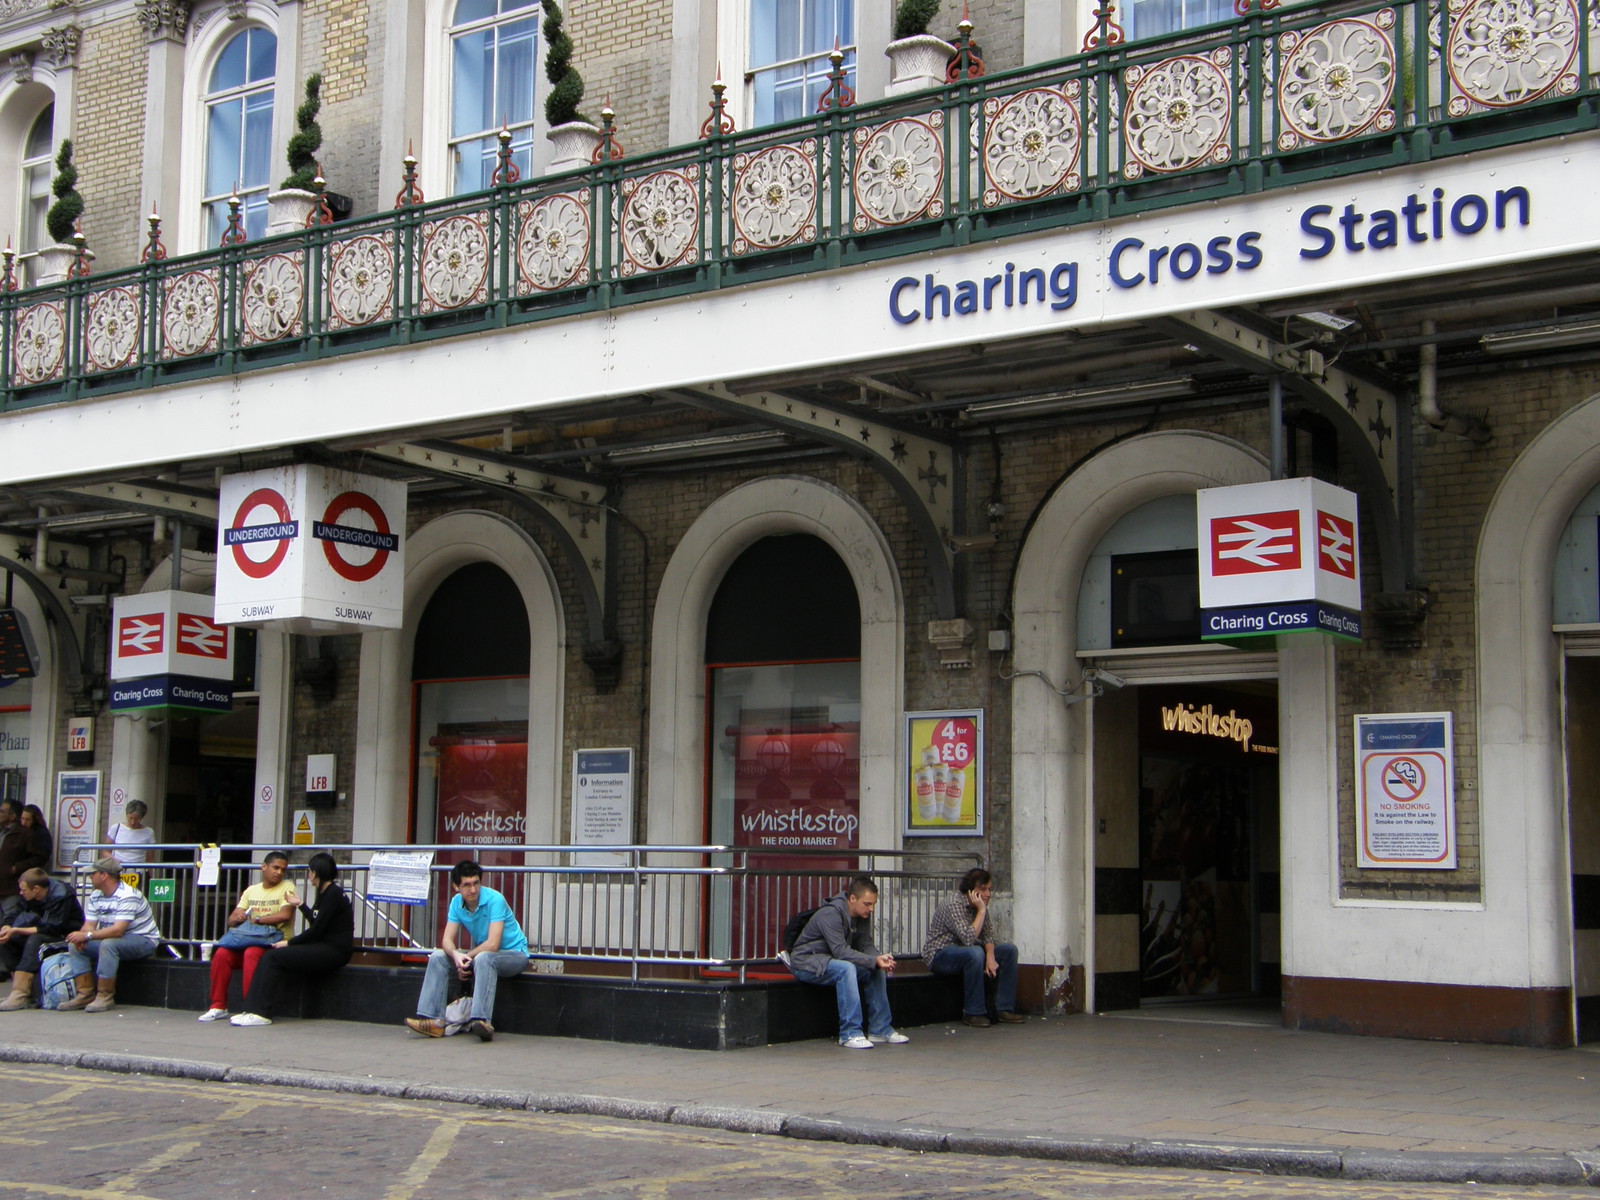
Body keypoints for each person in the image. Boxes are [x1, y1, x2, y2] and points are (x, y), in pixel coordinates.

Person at [404, 859, 530, 1042]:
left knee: (484, 958)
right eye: (467, 885)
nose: (473, 890)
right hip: (483, 956)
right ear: (456, 886)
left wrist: (466, 958)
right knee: (439, 956)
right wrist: (456, 956)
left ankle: (482, 1021)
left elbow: (493, 944)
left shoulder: (495, 899)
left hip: (514, 955)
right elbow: (447, 940)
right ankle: (434, 1022)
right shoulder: (456, 903)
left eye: (476, 883)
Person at [230, 851, 353, 1027]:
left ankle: (261, 1012)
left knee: (272, 957)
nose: (309, 876)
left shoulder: (333, 894)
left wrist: (288, 943)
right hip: (324, 947)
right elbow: (316, 921)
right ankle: (251, 1009)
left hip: (334, 951)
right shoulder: (325, 893)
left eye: (310, 871)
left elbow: (317, 930)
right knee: (269, 957)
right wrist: (300, 904)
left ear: (316, 873)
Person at [787, 875, 907, 1049]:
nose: (871, 909)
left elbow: (866, 945)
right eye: (867, 904)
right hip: (807, 963)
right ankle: (850, 1033)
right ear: (852, 898)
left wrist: (880, 959)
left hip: (829, 961)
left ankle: (880, 1030)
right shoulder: (831, 913)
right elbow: (840, 951)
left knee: (874, 969)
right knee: (846, 968)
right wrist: (873, 960)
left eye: (873, 904)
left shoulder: (862, 915)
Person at [198, 850, 300, 1022]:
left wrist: (258, 920)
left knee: (251, 953)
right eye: (275, 867)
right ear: (263, 867)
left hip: (275, 944)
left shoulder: (287, 887)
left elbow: (285, 915)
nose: (279, 872)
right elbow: (231, 920)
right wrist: (238, 917)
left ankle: (252, 1008)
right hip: (248, 940)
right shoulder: (251, 890)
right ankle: (218, 1006)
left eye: (283, 869)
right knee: (222, 954)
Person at [922, 867, 1025, 1027]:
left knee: (1009, 951)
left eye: (989, 889)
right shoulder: (954, 903)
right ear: (970, 891)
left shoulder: (980, 905)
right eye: (983, 889)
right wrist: (981, 911)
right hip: (941, 954)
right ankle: (973, 1012)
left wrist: (990, 956)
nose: (988, 894)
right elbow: (968, 938)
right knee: (975, 952)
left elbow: (988, 935)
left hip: (968, 952)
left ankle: (1004, 1008)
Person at [62, 854, 162, 1012]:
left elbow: (118, 930)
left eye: (92, 874)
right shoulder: (96, 895)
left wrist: (87, 935)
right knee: (75, 945)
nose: (89, 877)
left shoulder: (128, 895)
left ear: (104, 875)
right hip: (116, 938)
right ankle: (85, 993)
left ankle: (105, 996)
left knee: (108, 945)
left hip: (143, 940)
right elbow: (89, 925)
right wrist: (81, 937)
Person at [0, 867, 86, 1009]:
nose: (21, 893)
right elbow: (16, 911)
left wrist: (17, 929)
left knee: (35, 940)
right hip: (43, 931)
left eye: (23, 890)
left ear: (36, 889)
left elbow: (52, 927)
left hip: (65, 936)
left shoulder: (61, 895)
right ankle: (20, 990)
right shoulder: (28, 895)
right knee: (7, 940)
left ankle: (20, 993)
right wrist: (8, 927)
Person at [106, 800, 155, 866]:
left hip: (139, 871)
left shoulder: (149, 832)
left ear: (142, 818)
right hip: (118, 870)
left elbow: (150, 858)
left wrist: (152, 875)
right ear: (126, 815)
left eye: (136, 819)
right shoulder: (116, 828)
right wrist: (114, 860)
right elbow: (105, 851)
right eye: (130, 818)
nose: (133, 822)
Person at [0, 800, 29, 901]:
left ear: (12, 816)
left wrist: (16, 868)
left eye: (2, 811)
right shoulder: (1, 831)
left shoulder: (24, 834)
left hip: (12, 889)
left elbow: (37, 858)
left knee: (11, 916)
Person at [14, 805, 52, 878]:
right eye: (22, 819)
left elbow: (42, 856)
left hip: (32, 872)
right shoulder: (18, 831)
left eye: (28, 820)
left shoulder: (41, 833)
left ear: (35, 820)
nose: (24, 822)